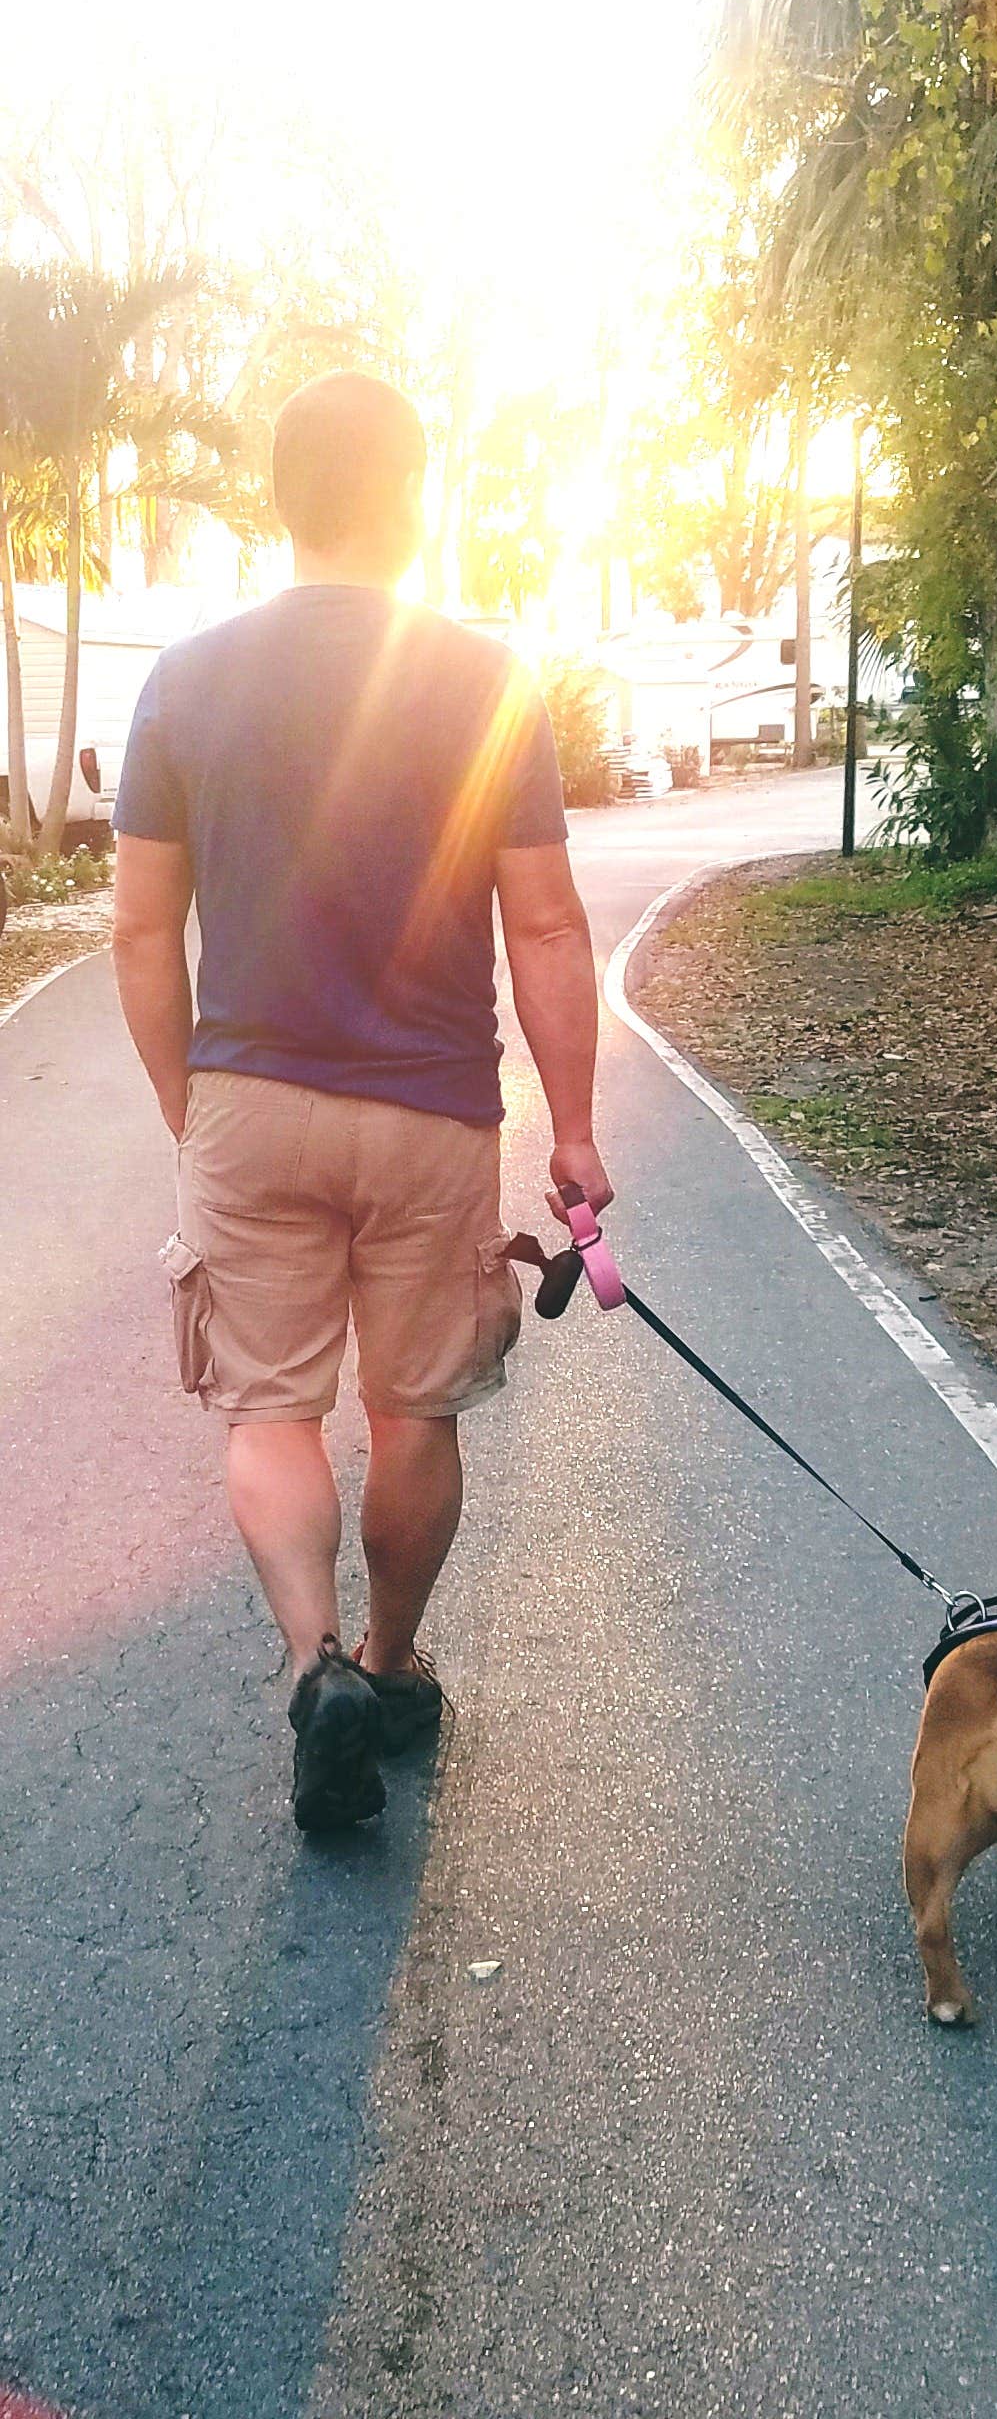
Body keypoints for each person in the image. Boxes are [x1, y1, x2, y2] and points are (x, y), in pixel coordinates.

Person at [111, 371, 611, 1835]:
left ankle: (312, 1664)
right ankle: (389, 1667)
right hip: (432, 1116)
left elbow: (140, 932)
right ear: (412, 501)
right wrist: (577, 1131)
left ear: (283, 500)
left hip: (249, 1102)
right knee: (413, 1412)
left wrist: (189, 1106)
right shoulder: (486, 682)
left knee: (270, 1410)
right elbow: (549, 926)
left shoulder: (185, 681)